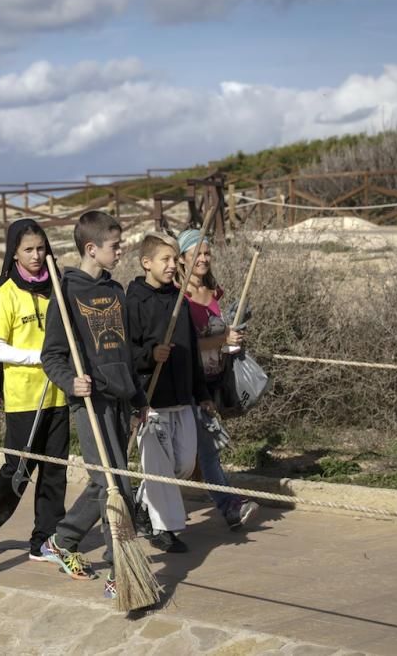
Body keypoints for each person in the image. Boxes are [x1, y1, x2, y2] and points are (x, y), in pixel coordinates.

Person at [39, 210, 148, 600]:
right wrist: (72, 381)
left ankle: (62, 541)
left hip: (120, 399)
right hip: (90, 403)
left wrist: (138, 398)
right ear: (91, 248)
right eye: (115, 245)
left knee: (106, 480)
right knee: (113, 484)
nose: (121, 251)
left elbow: (125, 352)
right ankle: (121, 572)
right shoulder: (65, 293)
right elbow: (51, 356)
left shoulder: (116, 292)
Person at [0, 219, 69, 560]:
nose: (37, 255)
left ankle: (45, 538)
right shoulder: (5, 294)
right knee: (20, 468)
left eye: (41, 248)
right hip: (24, 397)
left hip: (58, 392)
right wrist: (37, 357)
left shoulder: (57, 288)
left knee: (55, 468)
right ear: (14, 253)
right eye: (28, 249)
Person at [125, 232, 212, 553]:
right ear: (146, 263)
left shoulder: (180, 301)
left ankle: (142, 498)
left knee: (184, 465)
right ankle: (164, 529)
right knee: (159, 468)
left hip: (182, 398)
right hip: (151, 400)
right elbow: (126, 352)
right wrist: (150, 356)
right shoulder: (133, 301)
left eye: (175, 260)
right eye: (166, 259)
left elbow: (191, 354)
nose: (173, 265)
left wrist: (201, 392)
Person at [178, 230, 261, 530]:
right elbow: (186, 347)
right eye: (195, 254)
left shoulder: (214, 292)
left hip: (213, 380)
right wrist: (221, 338)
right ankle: (229, 508)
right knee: (207, 449)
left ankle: (149, 505)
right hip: (189, 383)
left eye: (206, 254)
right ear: (182, 258)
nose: (202, 259)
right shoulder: (179, 298)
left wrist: (232, 340)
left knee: (189, 456)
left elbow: (218, 338)